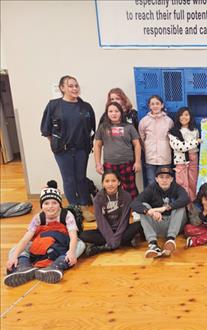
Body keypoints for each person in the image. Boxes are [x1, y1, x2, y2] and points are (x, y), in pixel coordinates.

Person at [40, 75, 96, 222]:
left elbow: (92, 129)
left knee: (81, 178)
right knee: (69, 179)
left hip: (81, 150)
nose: (74, 88)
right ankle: (73, 208)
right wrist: (55, 146)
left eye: (76, 85)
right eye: (70, 86)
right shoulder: (53, 106)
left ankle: (84, 206)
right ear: (62, 88)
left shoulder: (86, 107)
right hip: (62, 151)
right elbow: (47, 131)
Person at [4, 181, 81, 286]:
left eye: (54, 203)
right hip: (41, 244)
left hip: (61, 245)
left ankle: (56, 266)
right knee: (14, 249)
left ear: (60, 204)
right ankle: (24, 267)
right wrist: (14, 257)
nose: (50, 206)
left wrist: (71, 252)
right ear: (41, 205)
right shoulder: (38, 217)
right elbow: (25, 239)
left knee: (80, 245)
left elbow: (73, 236)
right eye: (46, 203)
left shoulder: (66, 215)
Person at [79, 171, 143, 256]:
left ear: (119, 182)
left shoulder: (126, 196)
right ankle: (122, 243)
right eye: (107, 181)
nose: (110, 184)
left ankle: (105, 247)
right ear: (103, 183)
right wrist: (111, 239)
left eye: (113, 181)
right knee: (83, 235)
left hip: (122, 230)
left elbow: (125, 219)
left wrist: (116, 237)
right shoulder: (98, 198)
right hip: (104, 232)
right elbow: (101, 222)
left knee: (139, 224)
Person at [131, 167, 189, 258]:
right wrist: (149, 211)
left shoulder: (176, 187)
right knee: (144, 206)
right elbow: (134, 203)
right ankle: (153, 244)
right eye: (161, 177)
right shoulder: (151, 188)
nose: (164, 180)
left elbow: (186, 198)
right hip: (158, 223)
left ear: (172, 179)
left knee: (180, 206)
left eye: (167, 177)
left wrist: (165, 208)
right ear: (156, 179)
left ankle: (170, 240)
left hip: (174, 224)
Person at [94, 102, 141, 199]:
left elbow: (137, 145)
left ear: (121, 113)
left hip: (127, 163)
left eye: (116, 111)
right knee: (111, 189)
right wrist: (98, 163)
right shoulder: (103, 127)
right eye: (110, 111)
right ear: (107, 113)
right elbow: (97, 146)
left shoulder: (129, 127)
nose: (114, 113)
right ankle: (114, 209)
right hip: (110, 164)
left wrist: (137, 162)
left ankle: (135, 210)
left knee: (130, 189)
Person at [138, 95, 174, 187]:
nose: (155, 106)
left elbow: (172, 138)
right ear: (149, 106)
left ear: (162, 105)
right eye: (152, 104)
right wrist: (147, 148)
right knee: (151, 181)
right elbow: (141, 137)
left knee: (165, 182)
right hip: (150, 157)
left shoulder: (168, 121)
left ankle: (165, 200)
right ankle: (154, 201)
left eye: (157, 103)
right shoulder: (144, 121)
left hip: (165, 157)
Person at [169, 107, 201, 202]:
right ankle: (183, 204)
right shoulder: (173, 131)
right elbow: (179, 147)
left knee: (193, 182)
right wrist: (195, 142)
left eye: (186, 115)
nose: (184, 117)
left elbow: (194, 147)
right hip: (180, 160)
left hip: (193, 158)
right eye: (181, 115)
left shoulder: (195, 130)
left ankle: (192, 204)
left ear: (190, 117)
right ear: (178, 117)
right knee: (182, 183)